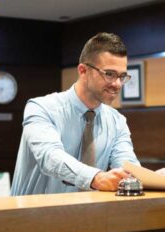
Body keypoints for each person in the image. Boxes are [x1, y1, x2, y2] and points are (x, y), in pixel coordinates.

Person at [10, 32, 139, 195]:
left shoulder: (117, 121)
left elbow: (127, 167)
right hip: (33, 217)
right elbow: (50, 158)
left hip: (89, 218)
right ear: (83, 70)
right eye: (109, 74)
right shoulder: (41, 108)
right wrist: (96, 178)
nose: (117, 84)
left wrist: (157, 178)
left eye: (122, 76)